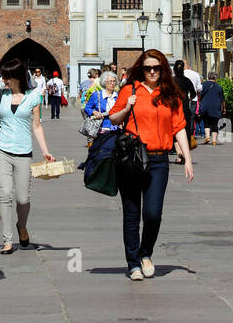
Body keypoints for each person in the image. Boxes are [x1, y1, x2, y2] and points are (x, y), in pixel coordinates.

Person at [108, 50, 193, 280]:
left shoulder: (170, 94)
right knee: (132, 214)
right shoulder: (130, 90)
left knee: (153, 214)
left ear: (163, 69)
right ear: (141, 69)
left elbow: (179, 127)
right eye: (148, 68)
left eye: (156, 68)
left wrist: (187, 158)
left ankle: (146, 253)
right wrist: (127, 107)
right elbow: (113, 118)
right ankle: (134, 263)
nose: (152, 72)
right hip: (132, 159)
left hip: (158, 160)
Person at [0, 56, 55, 253]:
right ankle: (7, 240)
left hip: (23, 151)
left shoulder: (33, 97)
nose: (4, 81)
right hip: (1, 149)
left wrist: (45, 151)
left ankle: (22, 225)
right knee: (5, 194)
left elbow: (36, 126)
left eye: (6, 77)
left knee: (22, 199)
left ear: (17, 77)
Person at [172, 60, 197, 161]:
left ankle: (179, 155)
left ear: (174, 69)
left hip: (173, 107)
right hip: (185, 107)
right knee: (185, 130)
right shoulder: (187, 81)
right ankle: (184, 153)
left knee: (174, 130)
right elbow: (194, 94)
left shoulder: (171, 81)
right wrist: (189, 97)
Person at [83, 69, 118, 138]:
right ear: (104, 82)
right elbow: (87, 108)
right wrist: (94, 112)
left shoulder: (118, 96)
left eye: (114, 81)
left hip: (116, 130)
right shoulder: (97, 95)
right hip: (101, 129)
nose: (112, 83)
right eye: (110, 81)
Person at [197, 71, 224, 145]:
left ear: (208, 77)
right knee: (215, 123)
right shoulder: (219, 87)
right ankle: (214, 141)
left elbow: (199, 95)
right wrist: (224, 108)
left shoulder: (203, 85)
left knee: (206, 122)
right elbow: (222, 100)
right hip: (216, 107)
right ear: (215, 77)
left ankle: (208, 137)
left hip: (205, 106)